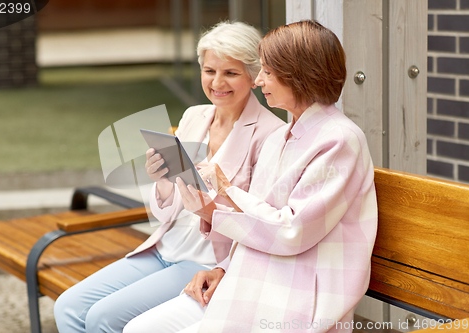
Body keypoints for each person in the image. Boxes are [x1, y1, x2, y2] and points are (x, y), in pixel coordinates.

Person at [123, 20, 378, 333]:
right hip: (252, 276)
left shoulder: (339, 140)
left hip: (296, 294)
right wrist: (223, 268)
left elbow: (291, 230)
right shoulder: (281, 138)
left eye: (268, 72)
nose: (258, 80)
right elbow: (260, 220)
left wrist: (220, 200)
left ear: (300, 76)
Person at [53, 22, 284, 333]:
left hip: (204, 261)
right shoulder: (194, 116)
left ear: (254, 76)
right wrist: (161, 182)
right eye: (209, 70)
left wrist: (215, 199)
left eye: (231, 73)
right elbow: (165, 211)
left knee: (102, 318)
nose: (217, 82)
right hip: (163, 247)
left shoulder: (271, 135)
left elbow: (260, 220)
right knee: (67, 306)